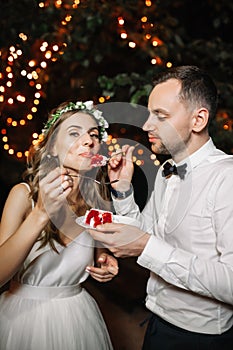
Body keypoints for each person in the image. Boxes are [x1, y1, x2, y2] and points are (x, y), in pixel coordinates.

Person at [89, 66, 233, 349]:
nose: (146, 126)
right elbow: (146, 233)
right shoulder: (169, 169)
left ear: (198, 119)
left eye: (161, 116)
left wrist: (146, 246)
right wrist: (122, 189)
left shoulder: (227, 178)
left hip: (200, 339)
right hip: (156, 321)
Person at [0, 100, 118, 350]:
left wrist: (105, 262)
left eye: (94, 135)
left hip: (76, 316)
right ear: (52, 147)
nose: (88, 141)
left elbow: (99, 256)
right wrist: (41, 214)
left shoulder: (98, 200)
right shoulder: (23, 196)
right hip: (22, 319)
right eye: (75, 132)